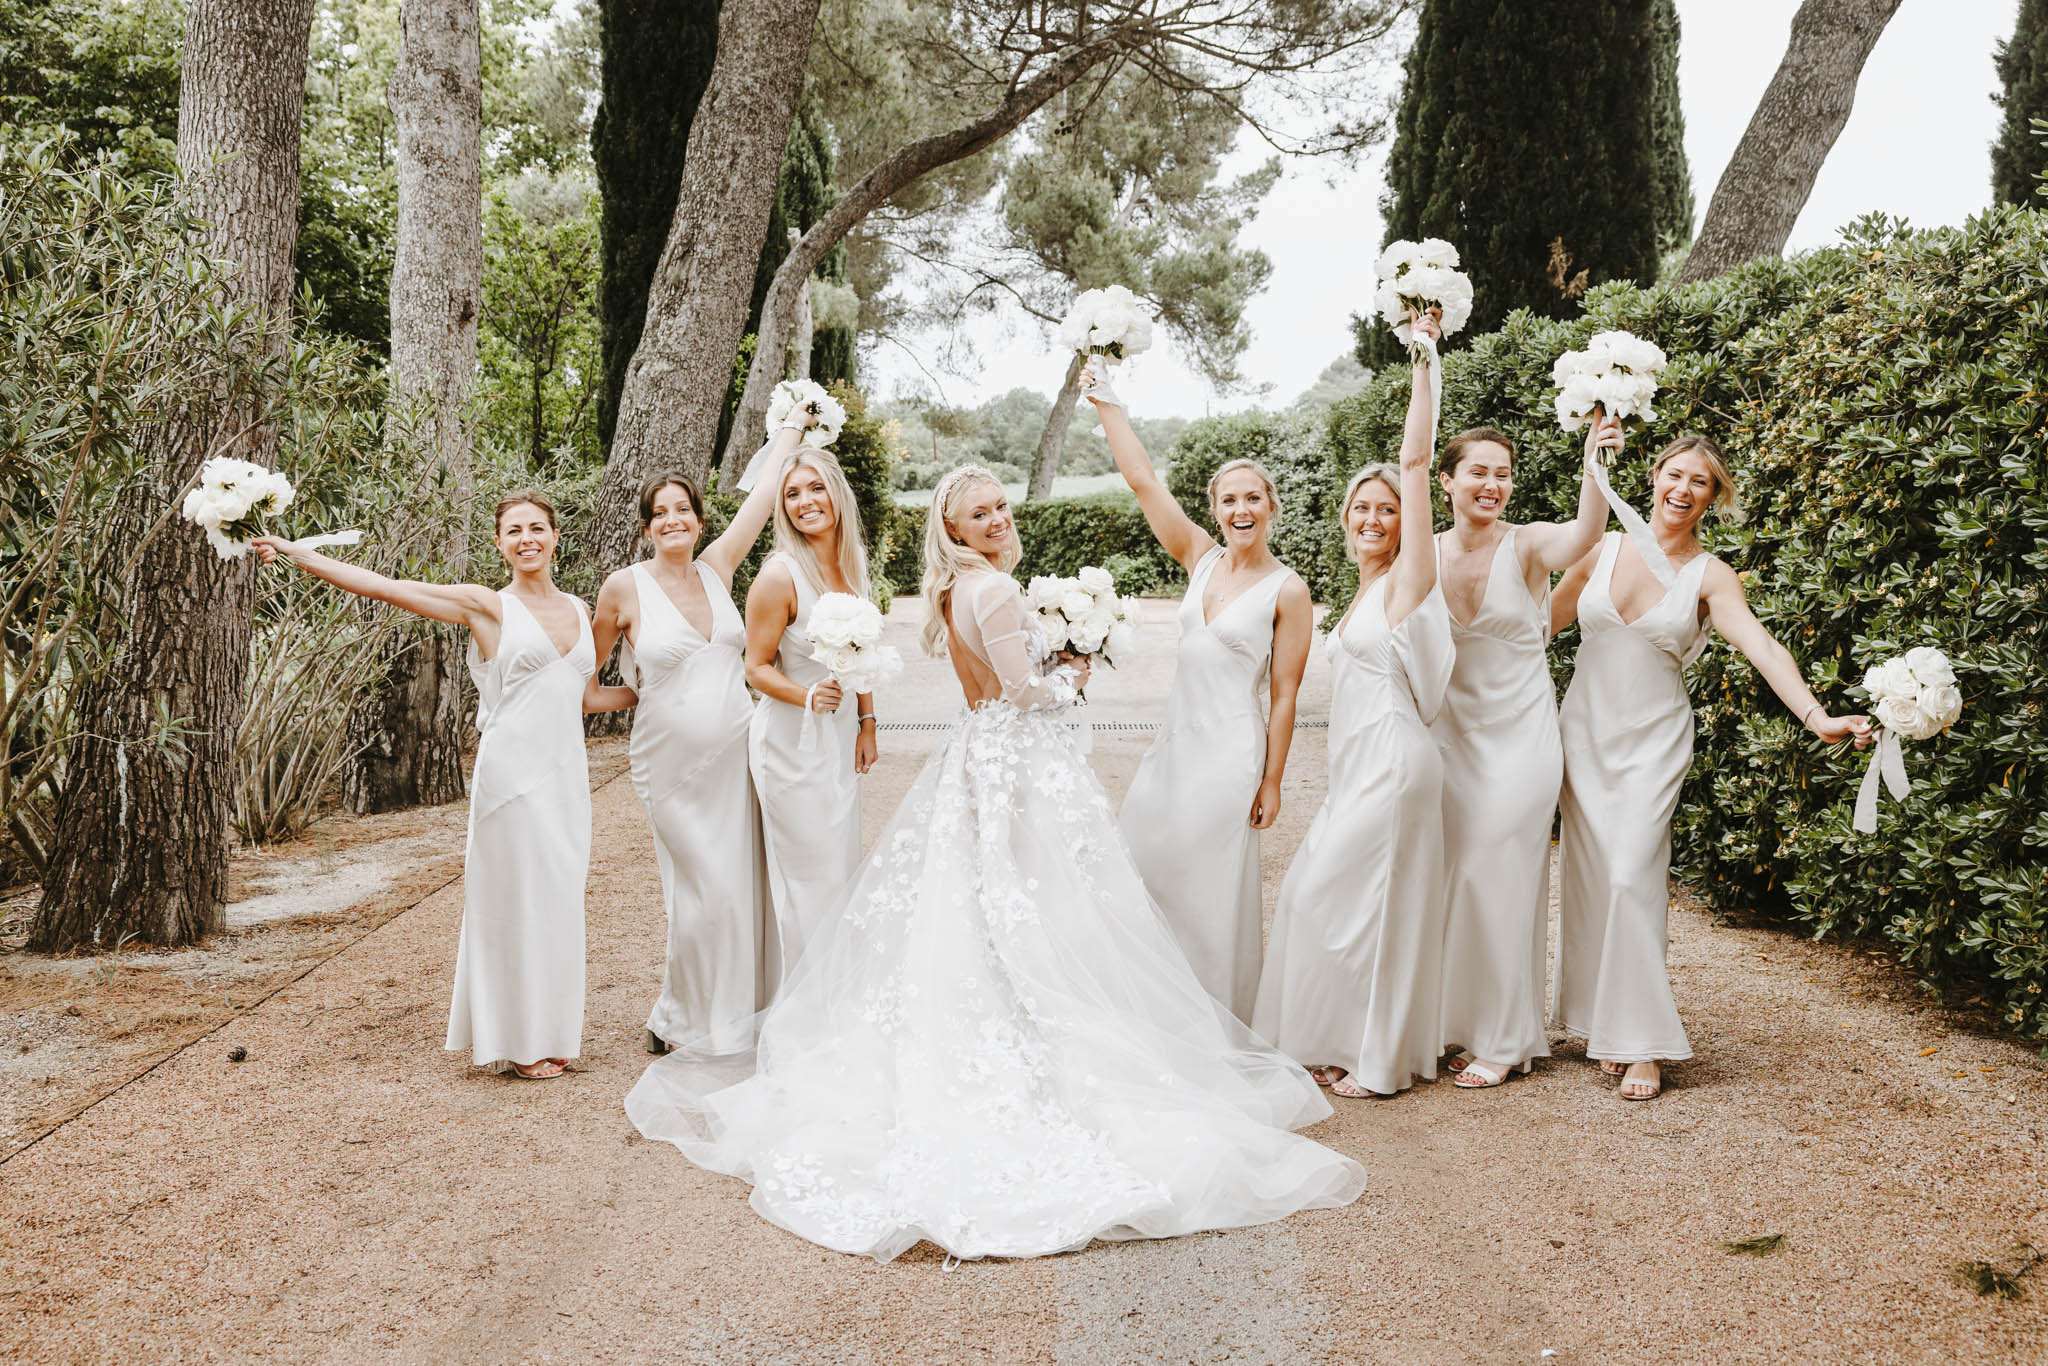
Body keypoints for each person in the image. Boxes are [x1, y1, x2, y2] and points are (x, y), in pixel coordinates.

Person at [625, 465, 1365, 1263]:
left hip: (979, 755)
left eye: (1001, 507)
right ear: (953, 528)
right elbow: (1022, 693)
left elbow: (986, 691)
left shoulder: (955, 591)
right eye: (979, 513)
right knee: (1038, 905)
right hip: (1018, 763)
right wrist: (1072, 676)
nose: (997, 520)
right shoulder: (997, 591)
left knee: (988, 906)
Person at [253, 493, 633, 1080]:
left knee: (558, 899)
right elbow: (385, 587)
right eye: (514, 531)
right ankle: (517, 1041)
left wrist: (662, 690)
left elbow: (585, 697)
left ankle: (551, 1031)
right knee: (513, 902)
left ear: (556, 536)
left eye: (537, 528)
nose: (527, 539)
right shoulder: (487, 605)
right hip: (511, 778)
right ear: (499, 543)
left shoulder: (582, 612)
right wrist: (295, 553)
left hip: (565, 776)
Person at [1552, 435, 1873, 1100]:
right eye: (1675, 474)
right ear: (1654, 476)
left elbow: (1763, 647)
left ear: (1712, 497)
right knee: (1592, 878)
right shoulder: (1598, 548)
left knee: (1631, 876)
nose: (1683, 490)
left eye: (1699, 482)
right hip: (1581, 734)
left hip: (1652, 740)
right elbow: (1530, 630)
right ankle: (1605, 1023)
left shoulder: (1710, 575)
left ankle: (1643, 1043)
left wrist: (1817, 716)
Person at [1254, 315, 1454, 1097]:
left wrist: (1425, 360)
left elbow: (1415, 461)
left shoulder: (1410, 581)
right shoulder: (1359, 593)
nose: (1374, 519)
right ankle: (1342, 1040)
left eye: (1388, 509)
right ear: (1346, 518)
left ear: (1407, 523)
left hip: (1396, 763)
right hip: (1358, 765)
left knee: (1359, 902)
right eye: (1361, 509)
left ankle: (1379, 1060)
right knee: (1331, 900)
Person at [1081, 360, 1313, 1021]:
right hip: (1173, 750)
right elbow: (1142, 480)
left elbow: (1286, 695)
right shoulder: (1199, 557)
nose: (1241, 509)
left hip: (1230, 757)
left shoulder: (1289, 590)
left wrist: (1272, 782)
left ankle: (1212, 1018)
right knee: (1143, 867)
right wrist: (1105, 400)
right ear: (1215, 509)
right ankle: (1154, 1015)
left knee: (1207, 889)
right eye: (1229, 500)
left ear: (1271, 506)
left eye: (1252, 498)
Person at [590, 415, 816, 1055]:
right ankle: (681, 1018)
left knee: (743, 885)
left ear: (698, 519)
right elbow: (585, 683)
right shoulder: (623, 588)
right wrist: (645, 694)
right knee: (700, 890)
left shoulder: (718, 568)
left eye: (683, 510)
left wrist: (793, 429)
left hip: (738, 756)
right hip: (669, 766)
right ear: (646, 527)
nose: (673, 521)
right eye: (660, 513)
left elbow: (762, 499)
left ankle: (739, 1011)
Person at [1433, 416, 1614, 1089]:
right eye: (1478, 472)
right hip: (1450, 741)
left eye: (1503, 474)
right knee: (1459, 880)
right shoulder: (1423, 550)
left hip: (1521, 741)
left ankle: (1508, 1039)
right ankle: (1462, 1022)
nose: (1492, 484)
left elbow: (1584, 534)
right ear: (1447, 480)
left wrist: (1595, 460)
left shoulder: (1529, 544)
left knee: (1505, 877)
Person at [743, 448, 878, 977]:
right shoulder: (779, 576)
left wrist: (867, 722)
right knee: (808, 874)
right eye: (792, 494)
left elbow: (863, 652)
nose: (805, 502)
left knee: (840, 865)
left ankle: (836, 984)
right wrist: (806, 696)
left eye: (815, 488)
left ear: (836, 492)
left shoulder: (854, 562)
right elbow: (755, 667)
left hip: (839, 739)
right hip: (790, 744)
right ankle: (805, 996)